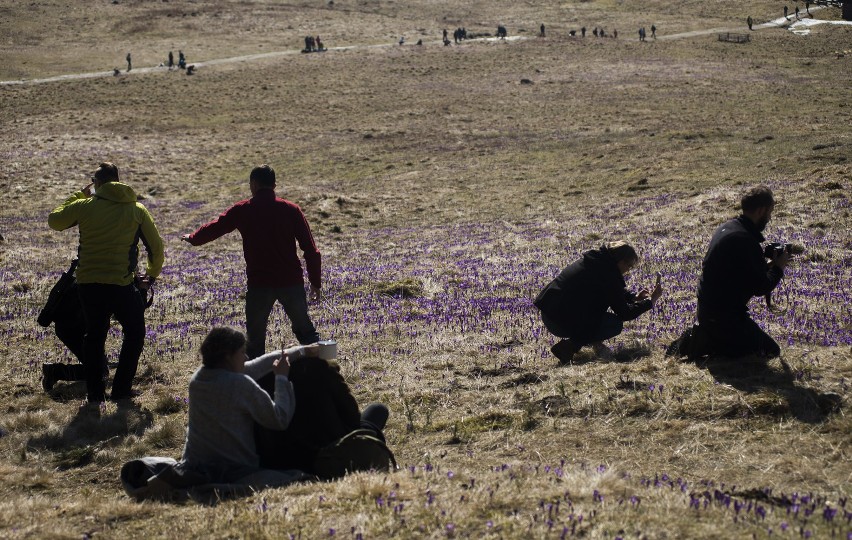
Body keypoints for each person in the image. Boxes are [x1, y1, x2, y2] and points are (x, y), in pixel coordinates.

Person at [48, 162, 164, 406]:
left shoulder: (84, 206)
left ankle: (95, 395)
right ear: (119, 181)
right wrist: (151, 276)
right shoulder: (137, 210)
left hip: (88, 284)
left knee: (94, 336)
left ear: (97, 183)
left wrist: (79, 194)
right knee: (134, 333)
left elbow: (55, 221)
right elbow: (156, 248)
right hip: (121, 284)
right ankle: (121, 390)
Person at [182, 164, 321, 364]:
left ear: (254, 184)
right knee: (307, 333)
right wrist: (315, 281)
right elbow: (311, 249)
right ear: (274, 185)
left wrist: (193, 238)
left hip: (259, 284)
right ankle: (325, 369)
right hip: (291, 283)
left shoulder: (243, 209)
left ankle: (257, 382)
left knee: (255, 342)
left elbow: (217, 227)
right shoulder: (291, 209)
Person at [181, 328, 304, 489]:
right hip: (234, 470)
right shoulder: (240, 384)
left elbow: (254, 367)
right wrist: (281, 377)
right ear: (227, 356)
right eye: (242, 352)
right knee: (300, 478)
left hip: (194, 467)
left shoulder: (197, 379)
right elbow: (279, 419)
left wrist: (301, 351)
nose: (246, 357)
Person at [256, 343, 390, 473]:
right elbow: (352, 419)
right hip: (329, 453)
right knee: (377, 410)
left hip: (281, 460)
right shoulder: (323, 370)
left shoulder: (263, 378)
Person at [695, 185, 788, 359]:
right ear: (761, 210)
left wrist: (765, 265)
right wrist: (778, 268)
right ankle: (710, 344)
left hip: (708, 311)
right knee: (770, 351)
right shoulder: (744, 240)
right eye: (769, 212)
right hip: (722, 317)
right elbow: (761, 287)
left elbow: (737, 273)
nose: (770, 217)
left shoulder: (730, 227)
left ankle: (713, 339)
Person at [534, 241, 663, 364]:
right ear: (620, 261)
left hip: (549, 313)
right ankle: (569, 346)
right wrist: (650, 301)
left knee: (593, 315)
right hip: (559, 322)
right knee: (613, 324)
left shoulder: (595, 261)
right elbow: (625, 313)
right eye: (628, 266)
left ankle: (589, 343)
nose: (628, 270)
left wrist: (633, 297)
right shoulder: (608, 275)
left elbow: (608, 291)